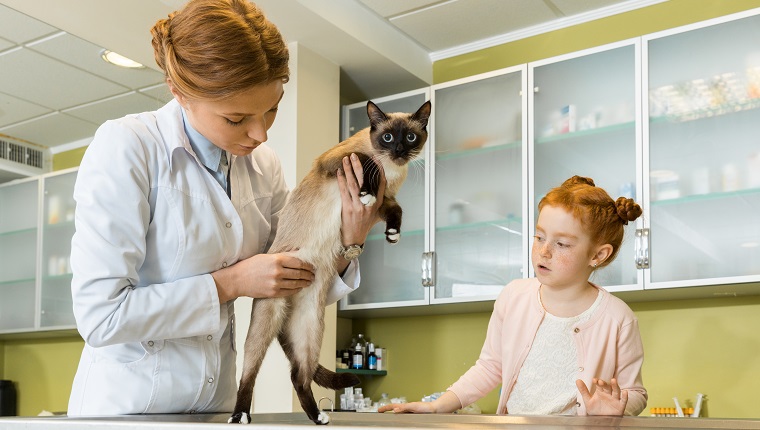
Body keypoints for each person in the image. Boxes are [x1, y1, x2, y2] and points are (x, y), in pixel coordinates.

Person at [67, 0, 383, 416]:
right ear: (178, 92)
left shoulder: (262, 166)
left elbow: (284, 288)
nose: (260, 133)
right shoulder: (129, 147)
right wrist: (229, 284)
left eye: (272, 108)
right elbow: (101, 316)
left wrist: (349, 242)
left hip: (216, 408)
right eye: (236, 119)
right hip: (125, 409)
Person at [379, 176, 647, 416]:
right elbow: (490, 367)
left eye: (562, 244)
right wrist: (438, 405)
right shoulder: (514, 296)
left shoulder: (617, 318)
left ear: (598, 255)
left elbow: (635, 393)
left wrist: (615, 410)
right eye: (539, 236)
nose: (544, 251)